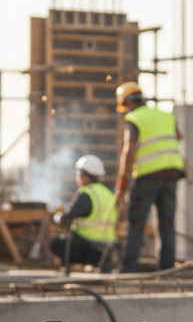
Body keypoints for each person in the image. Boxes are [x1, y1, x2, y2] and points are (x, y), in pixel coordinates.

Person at [114, 82, 184, 273]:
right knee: (167, 224)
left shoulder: (134, 118)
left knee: (136, 223)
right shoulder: (165, 116)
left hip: (148, 176)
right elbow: (179, 136)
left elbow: (129, 150)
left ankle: (127, 270)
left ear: (128, 102)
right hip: (171, 174)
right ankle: (167, 269)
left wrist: (122, 180)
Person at [49, 155, 117, 269]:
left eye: (78, 175)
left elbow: (67, 218)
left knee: (55, 242)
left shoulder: (86, 193)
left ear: (84, 176)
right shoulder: (108, 195)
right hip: (108, 251)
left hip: (90, 249)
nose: (77, 178)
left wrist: (57, 217)